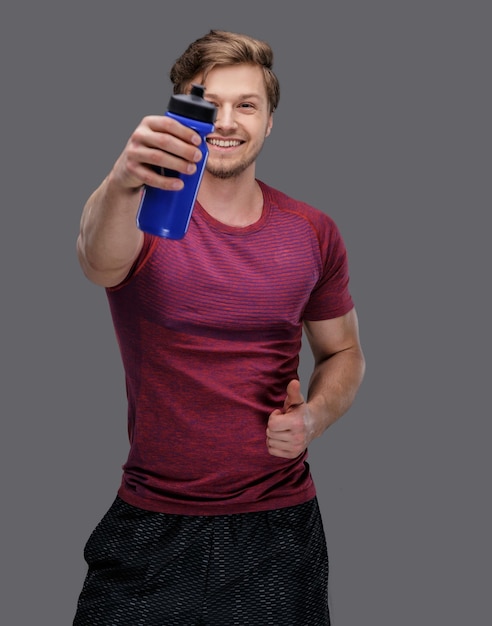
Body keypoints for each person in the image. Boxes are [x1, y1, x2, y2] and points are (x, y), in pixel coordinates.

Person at [73, 29, 365, 626]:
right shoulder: (139, 210)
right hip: (151, 520)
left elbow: (344, 351)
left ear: (270, 121)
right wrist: (124, 176)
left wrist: (313, 417)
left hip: (278, 527)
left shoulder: (313, 231)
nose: (226, 121)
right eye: (207, 103)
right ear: (180, 113)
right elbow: (96, 260)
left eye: (246, 104)